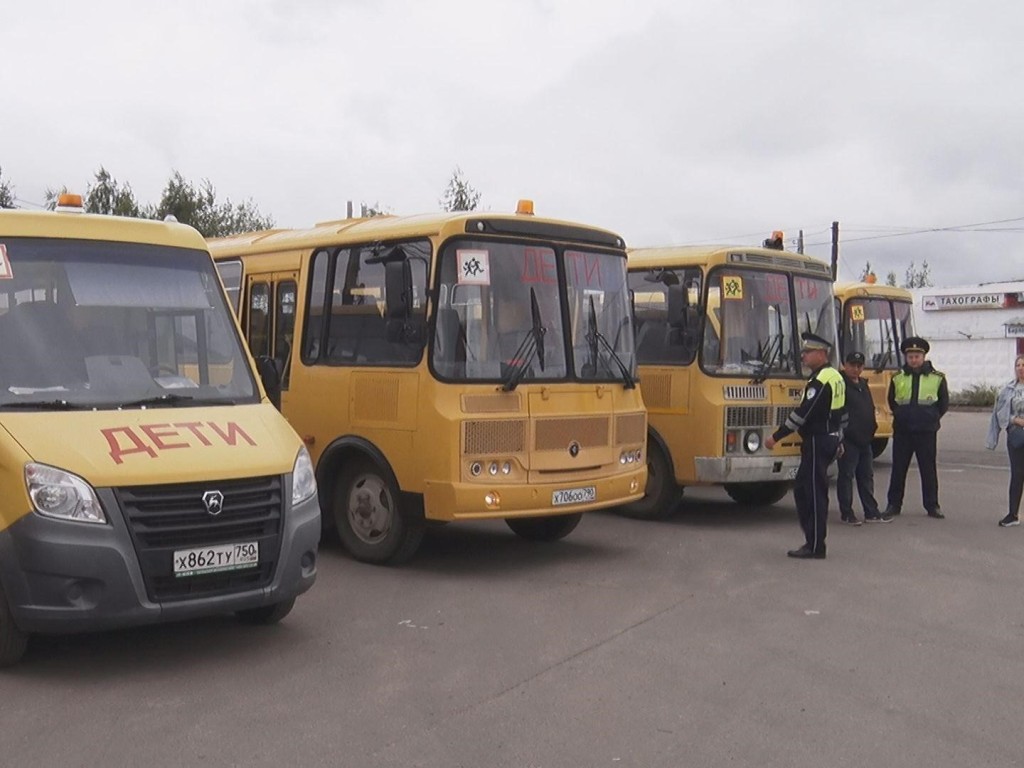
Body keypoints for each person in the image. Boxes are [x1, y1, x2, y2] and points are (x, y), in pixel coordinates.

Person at [766, 331, 846, 559]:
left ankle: (815, 546)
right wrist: (840, 438)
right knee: (803, 489)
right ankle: (813, 541)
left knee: (812, 494)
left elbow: (802, 414)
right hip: (828, 439)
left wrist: (776, 437)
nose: (804, 356)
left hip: (817, 441)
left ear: (821, 354)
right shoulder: (836, 376)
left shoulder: (820, 381)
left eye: (808, 352)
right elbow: (842, 412)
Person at [884, 336, 949, 519]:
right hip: (903, 431)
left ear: (923, 356)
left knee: (928, 470)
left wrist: (932, 418)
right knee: (898, 469)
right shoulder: (897, 377)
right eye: (910, 356)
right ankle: (893, 505)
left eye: (917, 356)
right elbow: (892, 401)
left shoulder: (937, 378)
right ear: (906, 357)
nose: (913, 359)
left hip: (926, 431)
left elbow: (943, 403)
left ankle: (932, 506)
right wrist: (901, 415)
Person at [837, 351, 892, 525]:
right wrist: (840, 437)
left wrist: (873, 428)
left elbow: (868, 408)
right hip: (849, 440)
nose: (855, 369)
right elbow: (837, 412)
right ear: (845, 365)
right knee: (846, 477)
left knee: (866, 477)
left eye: (859, 366)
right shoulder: (840, 385)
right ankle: (847, 513)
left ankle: (871, 512)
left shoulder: (863, 384)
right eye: (852, 365)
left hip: (865, 440)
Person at [985, 354, 1024, 527]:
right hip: (1016, 436)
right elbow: (999, 414)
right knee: (1017, 475)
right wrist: (1015, 420)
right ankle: (1013, 514)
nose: (1021, 368)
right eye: (1018, 365)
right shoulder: (1008, 389)